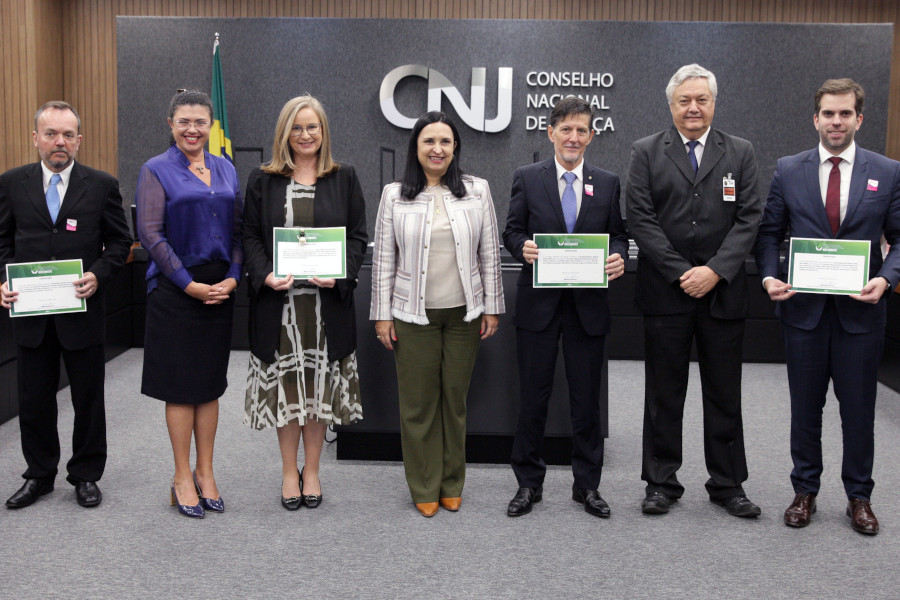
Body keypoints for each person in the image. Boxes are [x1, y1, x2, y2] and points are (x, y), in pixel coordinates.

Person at [755, 79, 900, 535]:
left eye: (845, 114)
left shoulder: (888, 171)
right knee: (805, 408)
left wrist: (886, 278)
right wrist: (768, 275)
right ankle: (805, 490)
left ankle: (860, 497)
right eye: (828, 114)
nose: (836, 122)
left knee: (859, 410)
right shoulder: (788, 169)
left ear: (859, 119)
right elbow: (768, 234)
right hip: (804, 315)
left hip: (862, 314)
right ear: (815, 118)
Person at [625, 64, 764, 518]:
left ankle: (728, 484)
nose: (693, 107)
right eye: (684, 100)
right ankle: (661, 483)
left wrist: (715, 271)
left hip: (722, 293)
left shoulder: (739, 152)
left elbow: (749, 218)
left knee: (724, 393)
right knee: (664, 393)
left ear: (713, 103)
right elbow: (639, 218)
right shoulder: (646, 151)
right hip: (667, 292)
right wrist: (682, 271)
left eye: (701, 99)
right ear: (671, 105)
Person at [371, 111, 504, 518]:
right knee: (418, 405)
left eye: (445, 141)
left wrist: (493, 307)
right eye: (429, 141)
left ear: (455, 147)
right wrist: (382, 315)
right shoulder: (396, 195)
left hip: (465, 315)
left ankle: (452, 482)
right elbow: (384, 260)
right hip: (412, 317)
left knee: (454, 401)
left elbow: (490, 253)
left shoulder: (477, 191)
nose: (437, 149)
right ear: (416, 147)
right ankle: (424, 484)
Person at [0, 101, 131, 509]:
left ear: (79, 140)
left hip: (82, 311)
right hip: (32, 313)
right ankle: (39, 475)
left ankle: (86, 475)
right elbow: (2, 241)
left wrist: (97, 272)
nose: (60, 142)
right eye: (52, 134)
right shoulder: (10, 184)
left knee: (88, 399)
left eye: (68, 135)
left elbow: (121, 243)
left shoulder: (102, 185)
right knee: (34, 401)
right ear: (35, 138)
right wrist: (2, 277)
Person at [503, 97, 628, 519]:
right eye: (566, 129)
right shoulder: (527, 177)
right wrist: (523, 247)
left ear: (591, 136)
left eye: (582, 130)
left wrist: (618, 257)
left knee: (586, 401)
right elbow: (512, 230)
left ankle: (587, 486)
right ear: (551, 132)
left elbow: (619, 235)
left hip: (588, 309)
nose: (574, 137)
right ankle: (528, 484)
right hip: (539, 307)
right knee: (533, 399)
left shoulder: (608, 182)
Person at [243, 95, 366, 511]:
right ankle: (286, 472)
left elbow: (356, 238)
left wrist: (341, 275)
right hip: (281, 307)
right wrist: (264, 275)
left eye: (312, 127)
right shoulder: (263, 179)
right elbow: (250, 237)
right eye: (296, 128)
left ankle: (311, 471)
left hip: (325, 306)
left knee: (318, 394)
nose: (305, 135)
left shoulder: (343, 176)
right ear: (285, 133)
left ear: (323, 131)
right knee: (288, 393)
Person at [136, 89, 242, 518]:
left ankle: (206, 472)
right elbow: (151, 235)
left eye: (200, 122)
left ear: (210, 126)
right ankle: (181, 476)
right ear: (171, 125)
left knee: (209, 386)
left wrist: (234, 277)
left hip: (221, 289)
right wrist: (188, 283)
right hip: (176, 291)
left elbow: (238, 232)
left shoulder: (227, 168)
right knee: (181, 390)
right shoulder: (155, 169)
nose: (192, 129)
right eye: (184, 122)